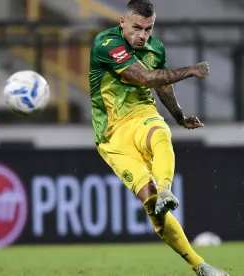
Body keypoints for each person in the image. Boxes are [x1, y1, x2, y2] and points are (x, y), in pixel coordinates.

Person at [89, 1, 229, 275]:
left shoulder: (155, 47)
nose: (143, 35)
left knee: (160, 132)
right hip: (111, 138)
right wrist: (189, 70)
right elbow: (144, 77)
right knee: (152, 205)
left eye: (148, 28)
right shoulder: (105, 43)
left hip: (141, 115)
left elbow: (161, 85)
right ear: (122, 22)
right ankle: (199, 265)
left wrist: (178, 116)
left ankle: (166, 187)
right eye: (137, 28)